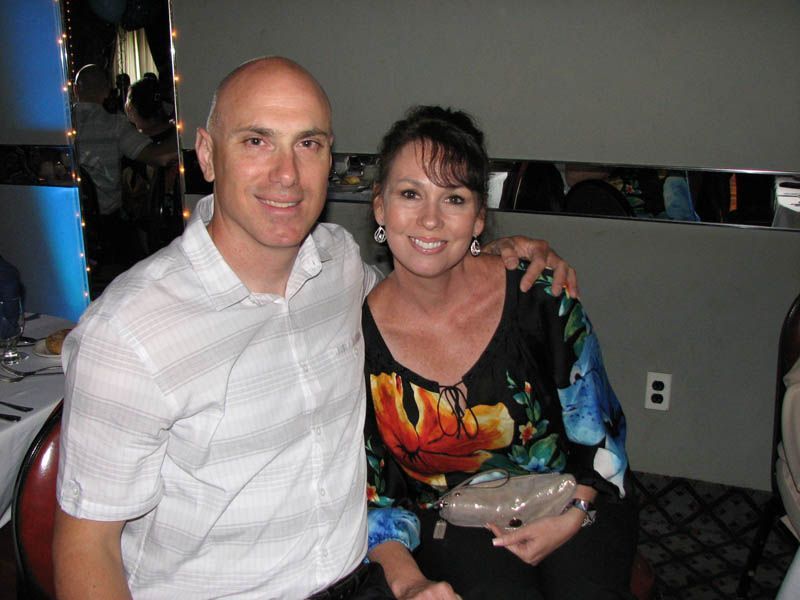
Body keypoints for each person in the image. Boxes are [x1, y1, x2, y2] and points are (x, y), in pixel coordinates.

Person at [53, 57, 575, 599]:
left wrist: (494, 258)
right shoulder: (128, 333)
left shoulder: (340, 264)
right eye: (257, 141)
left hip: (362, 579)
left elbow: (426, 287)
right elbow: (86, 546)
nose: (287, 174)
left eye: (309, 144)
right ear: (207, 155)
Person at [363, 106, 638, 599]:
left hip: (575, 494)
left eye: (453, 198)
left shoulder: (538, 293)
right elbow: (380, 494)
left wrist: (574, 514)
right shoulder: (361, 339)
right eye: (410, 194)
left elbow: (600, 430)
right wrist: (408, 582)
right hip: (456, 521)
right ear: (380, 208)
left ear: (478, 218)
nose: (430, 219)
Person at [73, 64, 176, 269]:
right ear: (107, 91)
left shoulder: (60, 123)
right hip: (107, 228)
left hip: (68, 220)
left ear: (75, 90)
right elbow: (161, 157)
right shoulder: (115, 124)